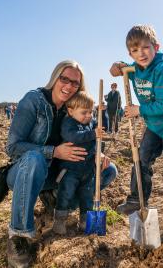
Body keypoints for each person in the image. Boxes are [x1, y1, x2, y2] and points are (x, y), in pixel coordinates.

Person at [5, 60, 117, 268]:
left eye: (75, 83)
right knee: (35, 158)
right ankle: (18, 236)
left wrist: (99, 155)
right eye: (64, 79)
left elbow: (94, 135)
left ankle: (57, 203)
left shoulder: (76, 108)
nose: (68, 85)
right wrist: (54, 151)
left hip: (61, 173)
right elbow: (13, 147)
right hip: (25, 172)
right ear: (55, 78)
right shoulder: (34, 101)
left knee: (109, 170)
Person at [109, 25, 163, 232]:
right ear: (130, 53)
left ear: (156, 47)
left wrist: (138, 110)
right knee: (140, 161)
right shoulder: (136, 68)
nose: (141, 54)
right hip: (154, 126)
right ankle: (136, 199)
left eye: (146, 48)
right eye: (135, 51)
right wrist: (119, 66)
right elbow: (126, 67)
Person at [52, 91, 106, 234]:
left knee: (87, 196)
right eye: (84, 112)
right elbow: (74, 137)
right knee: (66, 194)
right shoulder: (68, 123)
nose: (89, 115)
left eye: (91, 112)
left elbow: (101, 126)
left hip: (88, 169)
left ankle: (85, 222)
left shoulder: (90, 122)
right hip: (70, 170)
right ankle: (59, 221)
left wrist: (102, 113)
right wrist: (93, 134)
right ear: (71, 111)